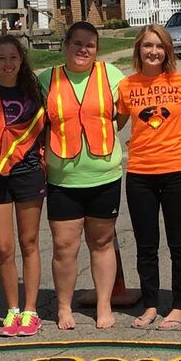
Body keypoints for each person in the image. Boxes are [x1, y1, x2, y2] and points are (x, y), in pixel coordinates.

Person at [39, 21, 125, 330]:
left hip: (104, 175)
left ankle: (104, 304)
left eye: (90, 44)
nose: (83, 49)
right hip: (63, 180)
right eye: (77, 43)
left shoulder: (111, 75)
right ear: (65, 45)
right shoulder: (47, 79)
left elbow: (123, 113)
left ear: (97, 49)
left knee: (101, 243)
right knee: (64, 247)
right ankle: (64, 307)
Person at [0, 35, 46, 338]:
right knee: (4, 247)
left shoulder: (34, 90)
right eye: (1, 58)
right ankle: (12, 309)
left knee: (29, 243)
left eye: (13, 57)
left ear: (21, 59)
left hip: (28, 174)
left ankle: (31, 310)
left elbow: (49, 127)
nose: (8, 63)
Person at [117, 23, 181, 329]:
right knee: (146, 244)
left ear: (167, 50)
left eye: (159, 46)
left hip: (176, 170)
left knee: (179, 242)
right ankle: (150, 304)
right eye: (148, 45)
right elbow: (113, 122)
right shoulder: (127, 86)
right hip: (139, 173)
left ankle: (179, 304)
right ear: (139, 49)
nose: (153, 51)